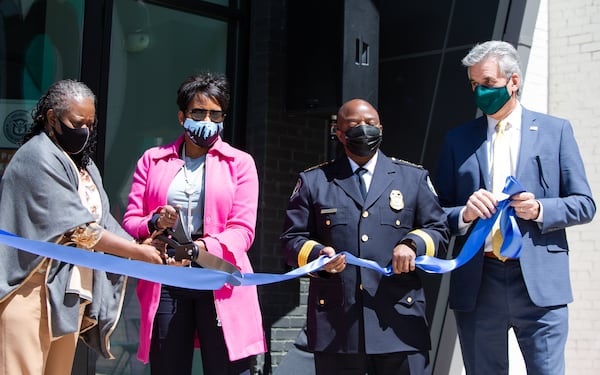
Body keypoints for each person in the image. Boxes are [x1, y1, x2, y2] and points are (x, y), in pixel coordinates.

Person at [434, 40, 596, 374]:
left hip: (539, 284)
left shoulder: (556, 132)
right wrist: (464, 213)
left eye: (489, 84)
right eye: (474, 85)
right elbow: (437, 212)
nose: (480, 92)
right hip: (480, 283)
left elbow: (584, 205)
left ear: (514, 81)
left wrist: (540, 209)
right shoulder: (458, 140)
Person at [0, 79, 163, 375]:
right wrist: (139, 254)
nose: (85, 131)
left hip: (67, 295)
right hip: (28, 292)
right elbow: (80, 230)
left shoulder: (84, 167)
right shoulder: (37, 156)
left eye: (91, 123)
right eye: (77, 122)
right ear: (51, 118)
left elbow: (103, 221)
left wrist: (142, 246)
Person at [280, 98, 449, 375]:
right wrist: (317, 257)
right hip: (338, 328)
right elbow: (291, 239)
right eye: (354, 124)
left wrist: (412, 244)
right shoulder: (314, 181)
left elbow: (439, 229)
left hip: (399, 322)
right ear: (338, 131)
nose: (364, 129)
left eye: (370, 124)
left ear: (381, 128)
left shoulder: (412, 178)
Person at [122, 73, 266, 375]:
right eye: (198, 112)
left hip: (218, 274)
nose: (207, 120)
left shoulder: (240, 163)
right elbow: (131, 220)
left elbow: (243, 231)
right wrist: (153, 222)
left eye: (216, 114)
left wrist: (201, 249)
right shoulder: (153, 159)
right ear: (181, 116)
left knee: (226, 367)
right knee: (168, 365)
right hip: (167, 276)